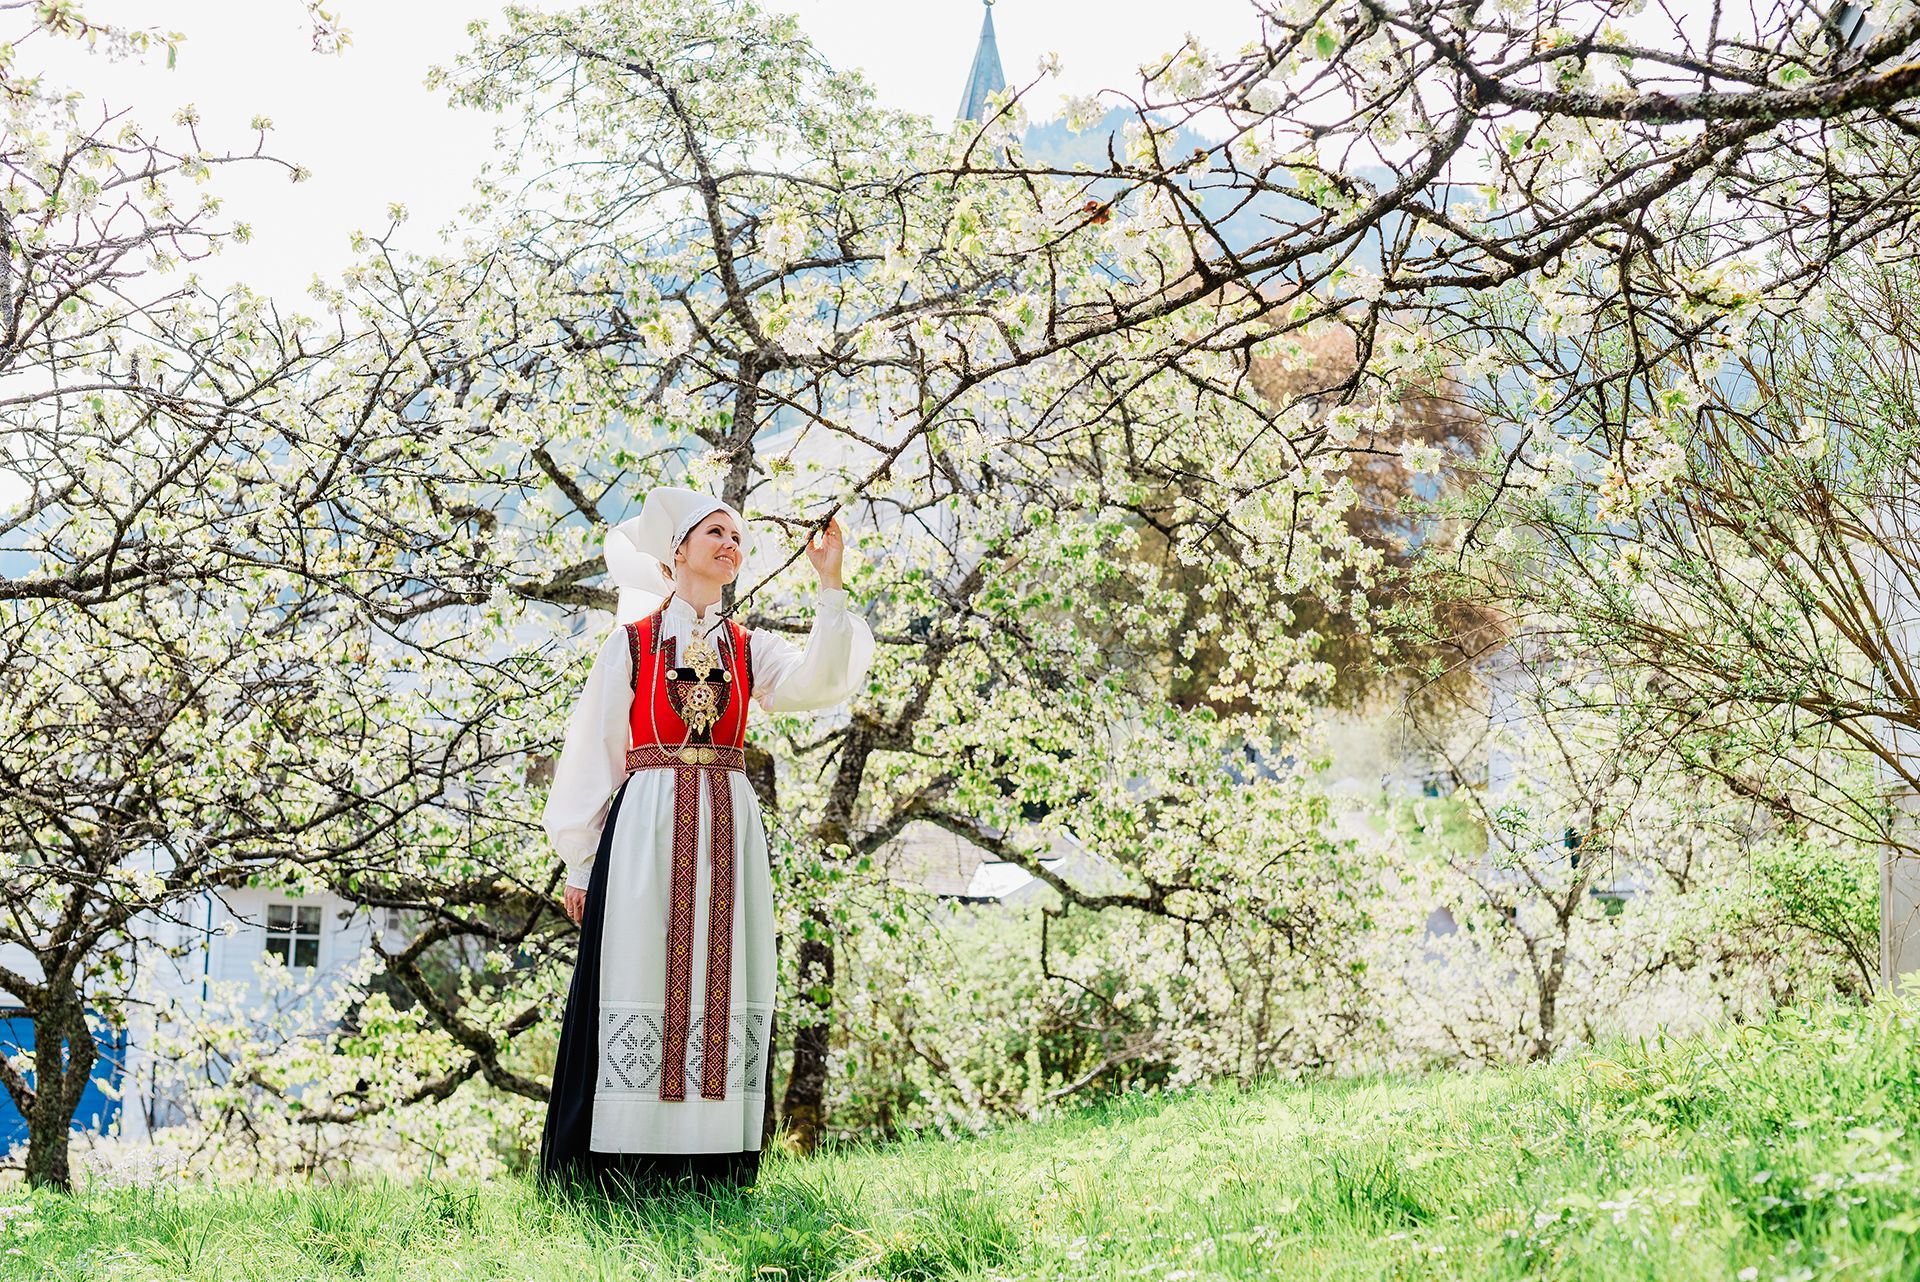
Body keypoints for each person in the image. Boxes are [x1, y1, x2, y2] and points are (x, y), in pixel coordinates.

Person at [538, 486, 873, 1193]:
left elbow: (821, 682)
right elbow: (595, 748)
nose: (731, 545)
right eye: (715, 533)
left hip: (727, 825)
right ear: (678, 552)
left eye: (737, 537)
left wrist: (830, 581)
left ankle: (711, 1164)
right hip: (644, 832)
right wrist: (580, 859)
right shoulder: (631, 646)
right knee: (639, 969)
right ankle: (619, 1168)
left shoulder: (749, 649)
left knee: (723, 978)